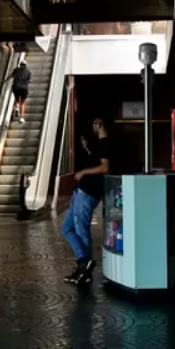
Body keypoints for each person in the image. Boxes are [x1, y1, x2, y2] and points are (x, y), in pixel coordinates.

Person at [62, 117, 110, 285]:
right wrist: (87, 149)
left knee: (82, 232)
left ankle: (84, 267)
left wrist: (84, 172)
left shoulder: (105, 143)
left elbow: (105, 167)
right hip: (80, 193)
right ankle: (84, 265)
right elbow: (98, 160)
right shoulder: (99, 144)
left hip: (87, 194)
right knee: (67, 228)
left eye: (94, 124)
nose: (93, 127)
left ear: (100, 124)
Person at [6, 59, 31, 124]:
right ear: (26, 65)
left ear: (20, 65)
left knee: (17, 99)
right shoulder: (28, 72)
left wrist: (4, 81)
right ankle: (22, 118)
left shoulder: (16, 70)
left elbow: (11, 76)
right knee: (22, 102)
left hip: (16, 87)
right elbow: (29, 81)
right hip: (24, 88)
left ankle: (17, 108)